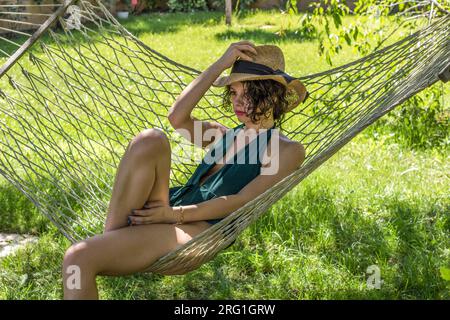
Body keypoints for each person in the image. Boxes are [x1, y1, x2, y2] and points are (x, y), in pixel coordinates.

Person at [62, 40, 308, 299]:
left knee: (78, 259)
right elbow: (177, 118)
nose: (236, 101)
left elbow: (242, 200)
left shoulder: (285, 149)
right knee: (150, 139)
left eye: (245, 92)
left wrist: (174, 215)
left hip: (199, 230)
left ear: (268, 93)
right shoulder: (221, 135)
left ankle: (111, 246)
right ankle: (114, 242)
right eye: (232, 93)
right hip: (167, 210)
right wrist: (219, 65)